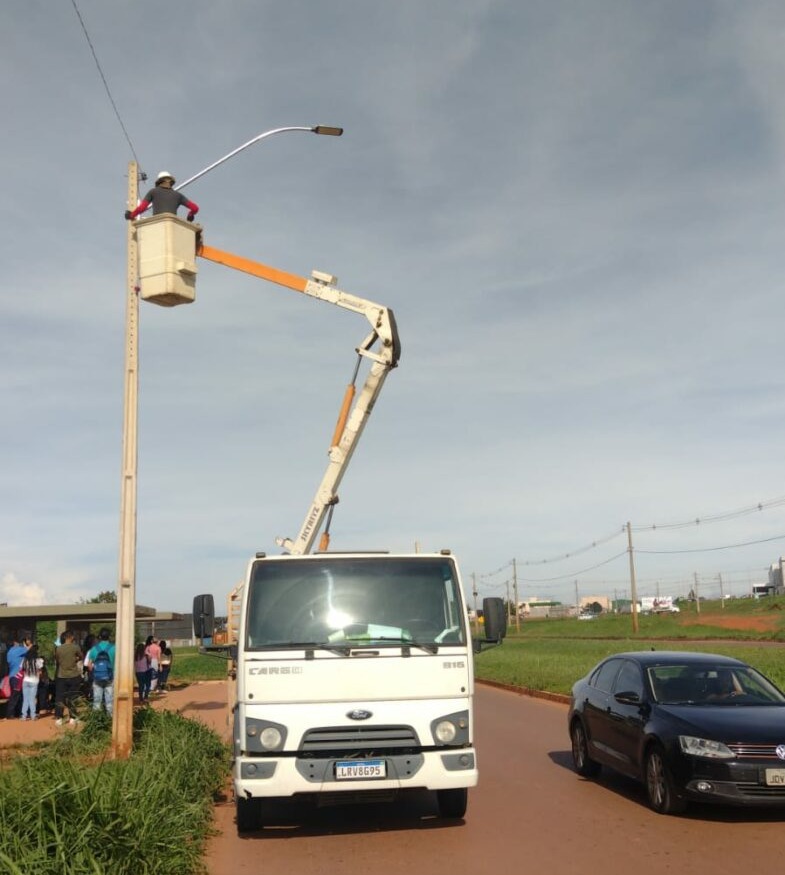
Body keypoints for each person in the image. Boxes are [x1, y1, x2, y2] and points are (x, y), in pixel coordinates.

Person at [124, 171, 199, 222]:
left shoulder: (153, 192)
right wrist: (190, 215)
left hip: (157, 224)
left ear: (159, 181)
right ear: (171, 182)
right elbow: (195, 208)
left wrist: (131, 215)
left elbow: (142, 207)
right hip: (172, 224)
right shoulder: (178, 195)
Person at [54, 631, 83, 726]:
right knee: (73, 697)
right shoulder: (75, 647)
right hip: (74, 675)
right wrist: (75, 659)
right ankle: (72, 718)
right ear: (69, 637)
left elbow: (57, 659)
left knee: (59, 697)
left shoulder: (58, 649)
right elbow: (81, 656)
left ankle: (59, 718)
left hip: (61, 676)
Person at [85, 628, 115, 716]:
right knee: (109, 701)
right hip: (110, 677)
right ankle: (109, 720)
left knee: (97, 701)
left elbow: (90, 666)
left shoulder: (94, 649)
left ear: (100, 637)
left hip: (97, 677)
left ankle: (96, 720)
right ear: (108, 637)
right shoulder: (114, 648)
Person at [6, 634, 29, 719]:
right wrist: (25, 644)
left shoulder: (9, 652)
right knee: (16, 696)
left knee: (16, 695)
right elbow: (29, 648)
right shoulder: (19, 650)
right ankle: (10, 714)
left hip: (12, 676)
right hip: (18, 676)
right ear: (15, 642)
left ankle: (16, 713)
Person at [20, 645, 44, 720]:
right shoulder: (37, 660)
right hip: (34, 681)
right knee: (32, 699)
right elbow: (40, 670)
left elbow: (21, 668)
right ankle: (33, 715)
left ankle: (24, 716)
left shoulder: (24, 660)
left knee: (25, 699)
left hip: (25, 680)